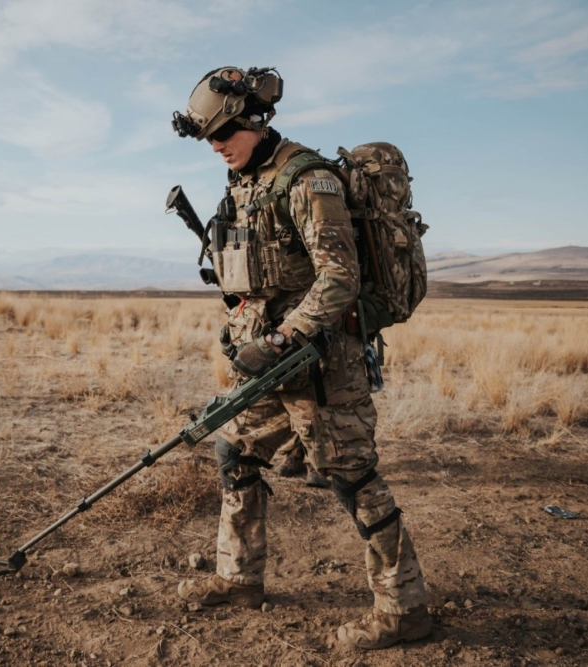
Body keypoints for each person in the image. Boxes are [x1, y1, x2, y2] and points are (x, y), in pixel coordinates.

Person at [170, 67, 431, 651]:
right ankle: (239, 579)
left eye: (223, 135)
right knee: (233, 449)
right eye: (209, 140)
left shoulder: (309, 181)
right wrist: (242, 328)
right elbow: (261, 280)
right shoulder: (244, 183)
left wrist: (284, 339)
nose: (215, 148)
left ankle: (404, 607)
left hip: (321, 364)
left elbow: (340, 278)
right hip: (266, 364)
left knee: (352, 480)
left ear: (254, 121)